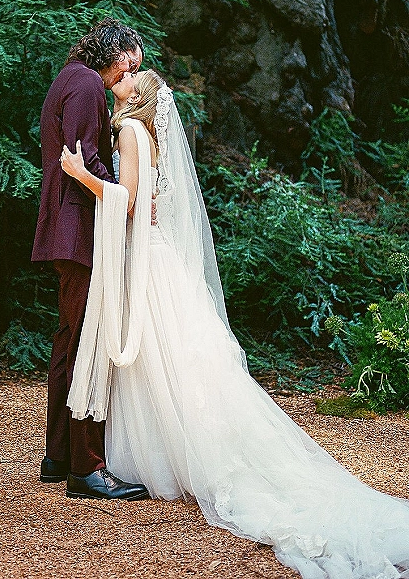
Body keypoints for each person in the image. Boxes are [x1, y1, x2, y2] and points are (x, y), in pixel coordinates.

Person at [60, 68, 409, 579]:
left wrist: (80, 174)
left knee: (157, 355)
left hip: (147, 261)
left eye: (133, 75)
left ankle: (180, 453)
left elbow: (129, 202)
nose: (125, 75)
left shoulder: (131, 131)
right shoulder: (142, 130)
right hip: (157, 255)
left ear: (139, 97)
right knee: (170, 358)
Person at [31, 18, 149, 502]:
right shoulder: (85, 86)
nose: (130, 76)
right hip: (79, 227)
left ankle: (59, 456)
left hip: (68, 225)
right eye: (129, 65)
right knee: (87, 344)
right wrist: (124, 195)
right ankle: (87, 469)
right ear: (113, 51)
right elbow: (83, 162)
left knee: (70, 339)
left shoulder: (70, 78)